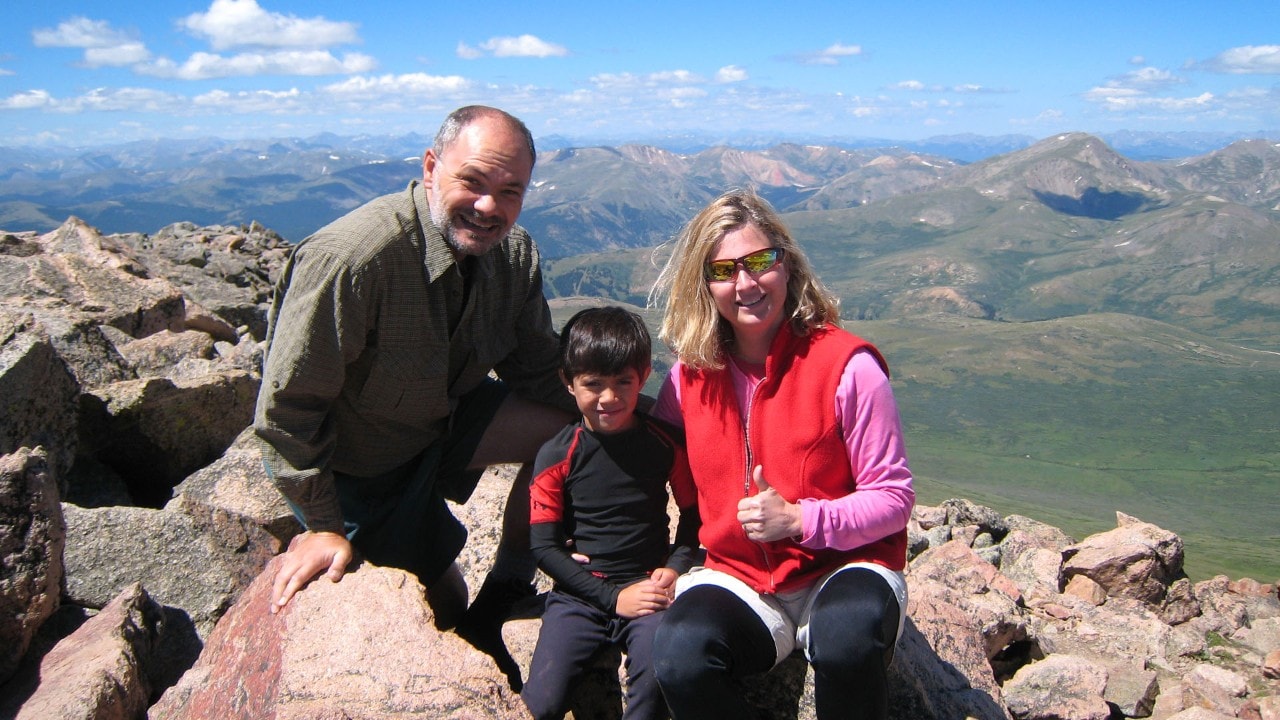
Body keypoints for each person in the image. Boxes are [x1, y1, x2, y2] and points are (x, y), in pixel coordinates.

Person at [252, 105, 576, 683]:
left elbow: (535, 368)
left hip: (443, 424)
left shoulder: (514, 254)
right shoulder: (356, 260)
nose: (489, 206)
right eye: (472, 181)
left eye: (510, 191)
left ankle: (507, 585)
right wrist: (322, 524)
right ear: (431, 168)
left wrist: (646, 414)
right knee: (439, 603)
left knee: (572, 431)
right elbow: (288, 410)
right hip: (362, 465)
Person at [646, 189, 915, 719]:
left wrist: (800, 518)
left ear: (786, 266)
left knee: (847, 639)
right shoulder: (687, 381)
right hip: (738, 577)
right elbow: (643, 467)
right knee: (679, 655)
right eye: (723, 270)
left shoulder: (847, 366)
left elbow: (894, 498)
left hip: (844, 567)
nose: (745, 283)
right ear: (705, 286)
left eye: (760, 262)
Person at [522, 306, 700, 720]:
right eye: (593, 384)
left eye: (624, 382)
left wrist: (675, 567)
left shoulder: (665, 443)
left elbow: (693, 515)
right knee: (541, 703)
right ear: (568, 383)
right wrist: (611, 596)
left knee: (655, 687)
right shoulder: (556, 455)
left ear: (643, 375)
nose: (609, 397)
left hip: (651, 587)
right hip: (581, 596)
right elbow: (544, 546)